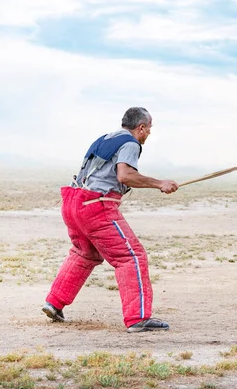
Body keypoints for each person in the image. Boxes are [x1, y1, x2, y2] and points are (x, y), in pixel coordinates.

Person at [42, 107, 179, 333]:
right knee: (131, 256)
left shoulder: (105, 138)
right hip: (95, 206)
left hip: (72, 202)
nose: (149, 134)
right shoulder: (131, 144)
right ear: (141, 127)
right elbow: (124, 175)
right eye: (149, 129)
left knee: (84, 253)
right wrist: (159, 183)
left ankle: (54, 303)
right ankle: (138, 318)